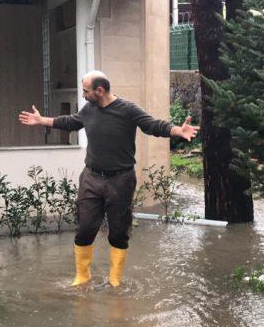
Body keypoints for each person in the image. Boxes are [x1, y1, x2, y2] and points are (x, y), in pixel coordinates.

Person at [18, 70, 199, 287]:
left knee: (118, 231)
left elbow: (153, 125)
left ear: (99, 90)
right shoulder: (89, 109)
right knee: (85, 228)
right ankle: (83, 276)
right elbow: (72, 121)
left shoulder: (128, 110)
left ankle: (115, 280)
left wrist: (177, 130)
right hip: (91, 178)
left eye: (86, 91)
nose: (83, 95)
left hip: (120, 180)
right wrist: (42, 121)